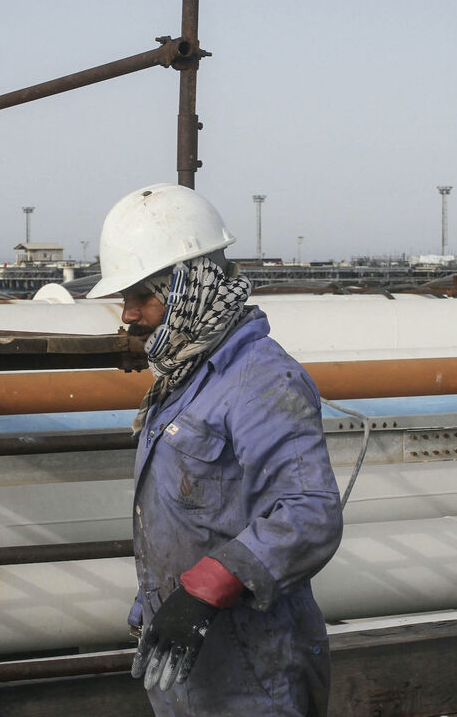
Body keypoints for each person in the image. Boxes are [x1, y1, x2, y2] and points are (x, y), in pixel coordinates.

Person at [87, 184, 344, 716]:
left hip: (252, 667)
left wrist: (202, 590)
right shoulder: (183, 378)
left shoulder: (261, 381)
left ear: (187, 287)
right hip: (189, 659)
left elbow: (309, 514)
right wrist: (159, 605)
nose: (127, 315)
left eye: (141, 296)